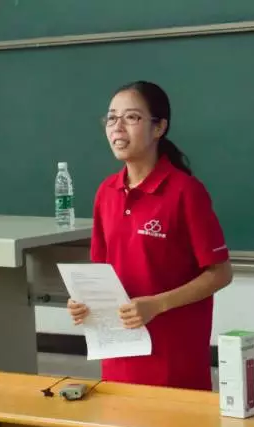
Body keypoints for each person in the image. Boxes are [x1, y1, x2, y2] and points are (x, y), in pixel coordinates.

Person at [67, 81, 233, 391]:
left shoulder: (185, 192)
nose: (117, 127)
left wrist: (156, 305)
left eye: (131, 117)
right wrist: (84, 303)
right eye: (111, 118)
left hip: (173, 358)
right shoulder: (106, 191)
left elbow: (220, 273)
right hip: (117, 354)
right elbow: (102, 272)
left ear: (159, 128)